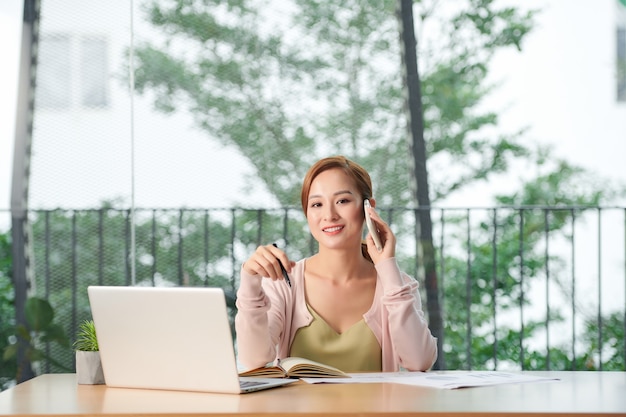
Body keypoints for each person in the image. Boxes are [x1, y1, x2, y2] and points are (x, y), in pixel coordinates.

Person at [235, 155, 437, 372]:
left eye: (342, 201)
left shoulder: (396, 285)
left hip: (375, 407)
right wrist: (250, 282)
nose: (329, 215)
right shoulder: (284, 283)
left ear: (369, 209)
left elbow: (419, 361)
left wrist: (388, 267)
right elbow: (253, 359)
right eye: (317, 204)